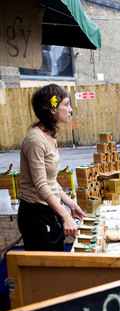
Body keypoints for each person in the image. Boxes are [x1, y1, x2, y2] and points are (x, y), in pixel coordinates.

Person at [18, 84, 85, 251]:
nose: (70, 109)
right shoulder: (35, 140)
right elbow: (41, 186)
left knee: (56, 263)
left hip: (50, 210)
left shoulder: (50, 137)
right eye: (66, 104)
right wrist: (65, 215)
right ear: (53, 110)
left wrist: (71, 204)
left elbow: (51, 181)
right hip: (36, 215)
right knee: (44, 271)